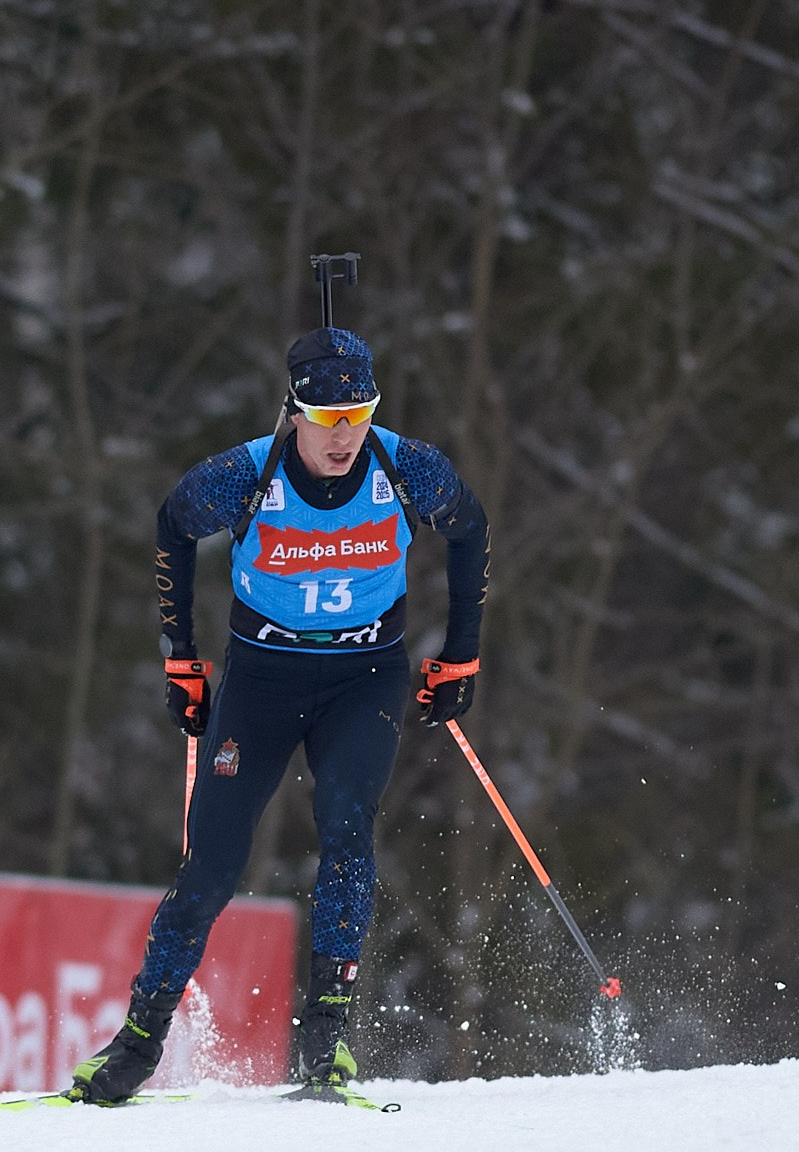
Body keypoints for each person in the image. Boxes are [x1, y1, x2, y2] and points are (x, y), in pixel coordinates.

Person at [71, 326, 490, 1102]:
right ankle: (137, 1043)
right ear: (294, 410)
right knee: (213, 862)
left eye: (357, 413)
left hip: (364, 677)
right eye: (327, 417)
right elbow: (173, 523)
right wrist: (179, 655)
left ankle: (328, 1040)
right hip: (261, 681)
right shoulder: (246, 474)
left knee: (345, 821)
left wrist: (461, 651)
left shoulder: (405, 466)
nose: (344, 434)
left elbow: (470, 527)